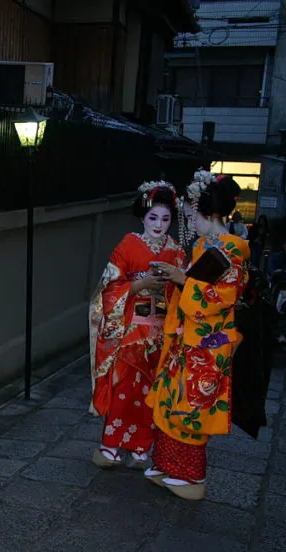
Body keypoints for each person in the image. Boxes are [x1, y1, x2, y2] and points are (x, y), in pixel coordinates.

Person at [145, 171, 251, 501]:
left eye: (191, 215)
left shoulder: (233, 249)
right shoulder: (206, 245)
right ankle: (167, 465)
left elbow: (221, 297)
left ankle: (192, 478)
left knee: (193, 405)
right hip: (186, 335)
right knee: (170, 396)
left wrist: (181, 278)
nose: (189, 221)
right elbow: (194, 291)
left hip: (210, 341)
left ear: (209, 214)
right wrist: (177, 279)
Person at [89, 180, 185, 470]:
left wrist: (174, 283)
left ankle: (142, 445)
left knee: (152, 391)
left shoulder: (177, 252)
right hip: (130, 328)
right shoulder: (127, 245)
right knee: (124, 388)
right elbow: (108, 288)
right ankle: (111, 444)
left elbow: (185, 292)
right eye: (153, 217)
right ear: (142, 216)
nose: (158, 224)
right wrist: (139, 284)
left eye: (165, 219)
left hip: (162, 330)